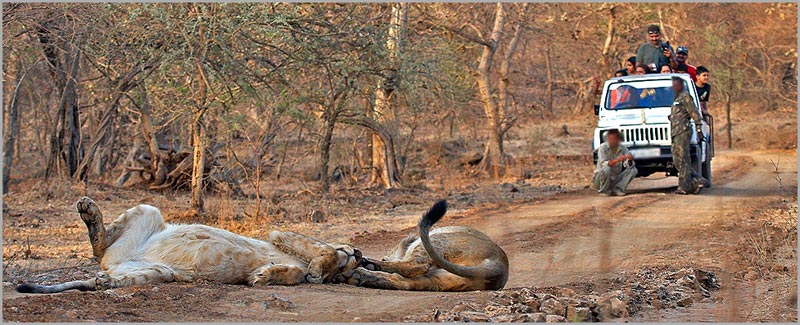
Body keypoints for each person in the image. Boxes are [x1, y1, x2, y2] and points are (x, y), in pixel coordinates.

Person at [669, 77, 707, 194]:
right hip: (675, 132)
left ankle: (684, 187)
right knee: (677, 160)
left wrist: (699, 130)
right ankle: (697, 180)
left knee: (683, 159)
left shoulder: (686, 97)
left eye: (676, 85)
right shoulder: (676, 98)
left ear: (681, 86)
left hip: (683, 131)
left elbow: (694, 113)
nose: (674, 87)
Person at [593, 129, 637, 196]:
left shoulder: (623, 148)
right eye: (610, 139)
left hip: (614, 178)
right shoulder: (603, 147)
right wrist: (618, 160)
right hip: (601, 179)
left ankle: (618, 189)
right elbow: (605, 163)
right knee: (607, 168)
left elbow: (628, 165)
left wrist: (629, 160)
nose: (612, 141)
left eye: (615, 139)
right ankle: (603, 191)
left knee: (633, 170)